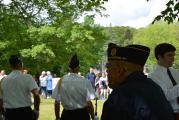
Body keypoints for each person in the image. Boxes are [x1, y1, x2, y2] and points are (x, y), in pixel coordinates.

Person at [101, 43, 175, 120]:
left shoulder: (119, 96)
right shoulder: (154, 87)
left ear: (120, 70)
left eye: (108, 67)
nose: (107, 71)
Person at [52, 54, 96, 120]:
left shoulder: (61, 81)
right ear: (78, 68)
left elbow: (56, 103)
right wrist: (93, 117)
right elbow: (89, 104)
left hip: (66, 115)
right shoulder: (85, 81)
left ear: (69, 68)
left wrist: (57, 117)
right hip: (82, 115)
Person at [0, 54, 40, 120]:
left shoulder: (3, 80)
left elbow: (0, 100)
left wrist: (3, 113)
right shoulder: (27, 77)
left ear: (10, 65)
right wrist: (36, 110)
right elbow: (36, 94)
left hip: (10, 113)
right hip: (25, 112)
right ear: (21, 64)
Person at [148, 43, 179, 119]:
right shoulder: (153, 76)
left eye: (173, 55)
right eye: (169, 55)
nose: (173, 58)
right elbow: (166, 96)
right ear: (159, 57)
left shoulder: (175, 72)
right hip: (170, 115)